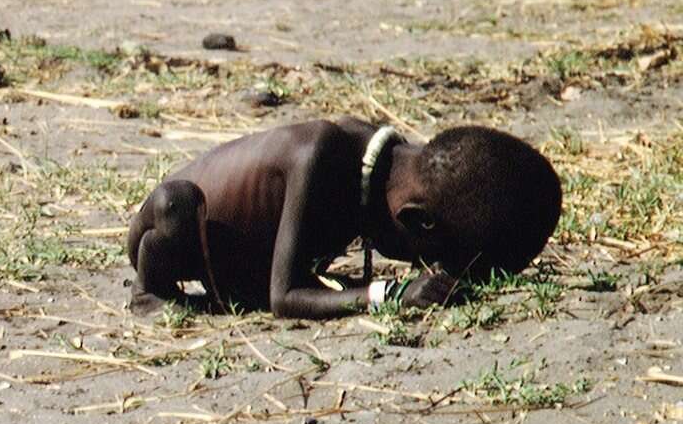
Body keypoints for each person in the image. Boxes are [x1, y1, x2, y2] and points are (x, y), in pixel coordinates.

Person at [127, 118, 561, 319]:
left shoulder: (387, 166)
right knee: (175, 207)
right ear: (416, 221)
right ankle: (148, 292)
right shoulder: (319, 157)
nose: (423, 268)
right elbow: (285, 297)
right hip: (173, 227)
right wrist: (389, 294)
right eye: (431, 258)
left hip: (241, 259)